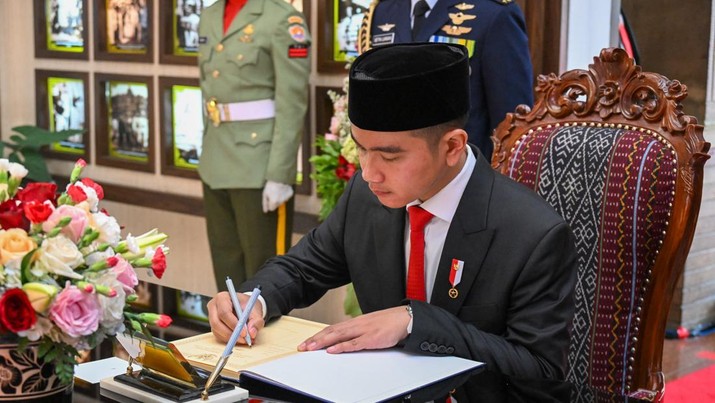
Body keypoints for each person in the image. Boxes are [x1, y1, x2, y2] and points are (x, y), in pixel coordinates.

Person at [208, 42, 577, 380]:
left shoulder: (532, 234)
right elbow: (302, 268)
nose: (368, 173)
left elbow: (540, 371)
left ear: (452, 146)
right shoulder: (366, 196)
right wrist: (253, 299)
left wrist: (416, 323)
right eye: (361, 150)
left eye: (389, 155)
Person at [198, 0, 311, 291]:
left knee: (266, 279)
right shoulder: (210, 16)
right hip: (215, 160)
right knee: (226, 273)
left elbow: (292, 102)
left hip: (260, 166)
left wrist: (280, 174)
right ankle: (229, 336)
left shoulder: (281, 18)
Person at [357, 0, 533, 161]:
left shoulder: (492, 12)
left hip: (460, 174)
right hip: (389, 175)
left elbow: (512, 123)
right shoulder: (382, 11)